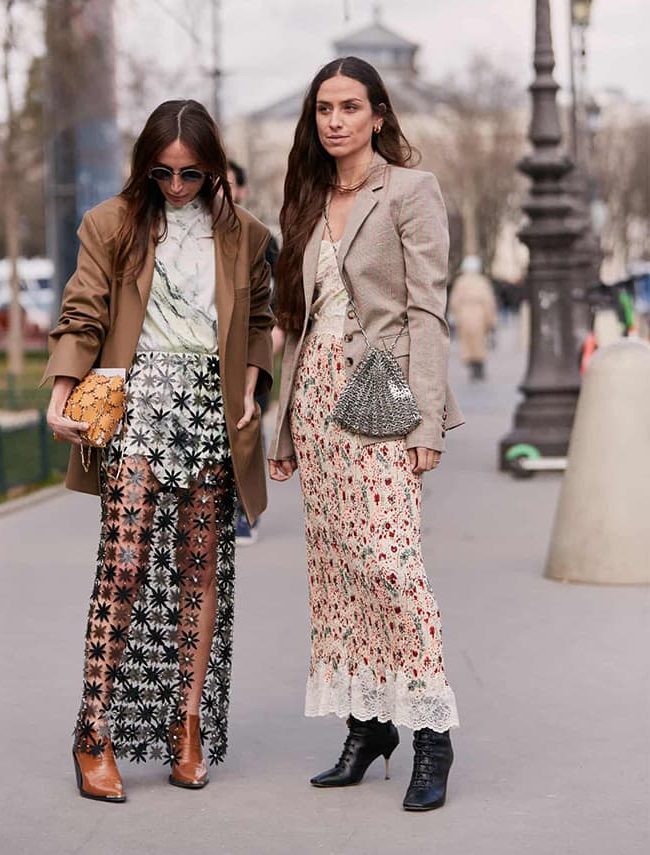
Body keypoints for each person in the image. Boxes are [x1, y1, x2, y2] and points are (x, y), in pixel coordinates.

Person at [45, 100, 273, 802]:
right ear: (145, 165)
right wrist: (59, 391)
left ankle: (187, 726)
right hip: (138, 405)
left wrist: (253, 386)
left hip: (209, 410)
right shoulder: (112, 224)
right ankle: (93, 731)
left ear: (213, 168)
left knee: (200, 570)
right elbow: (83, 309)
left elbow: (260, 320)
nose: (176, 186)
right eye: (163, 172)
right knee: (125, 564)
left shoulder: (245, 236)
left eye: (191, 173)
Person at [268, 56, 463, 812]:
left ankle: (432, 736)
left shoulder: (410, 190)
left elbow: (426, 311)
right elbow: (298, 318)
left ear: (378, 114)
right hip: (315, 400)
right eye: (325, 108)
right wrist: (284, 428)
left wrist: (428, 420)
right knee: (338, 568)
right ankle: (368, 723)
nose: (336, 120)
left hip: (380, 397)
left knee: (389, 561)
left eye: (351, 106)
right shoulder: (310, 194)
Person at [226, 160, 281, 545]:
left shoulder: (260, 238)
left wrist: (275, 338)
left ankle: (246, 512)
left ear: (241, 190)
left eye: (227, 184)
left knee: (246, 428)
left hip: (251, 349)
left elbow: (283, 295)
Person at [448, 255, 498, 380]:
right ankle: (479, 366)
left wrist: (453, 314)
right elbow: (488, 301)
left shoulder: (460, 281)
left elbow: (454, 300)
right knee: (480, 341)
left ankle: (472, 366)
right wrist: (491, 320)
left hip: (464, 313)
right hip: (479, 313)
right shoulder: (482, 281)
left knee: (467, 341)